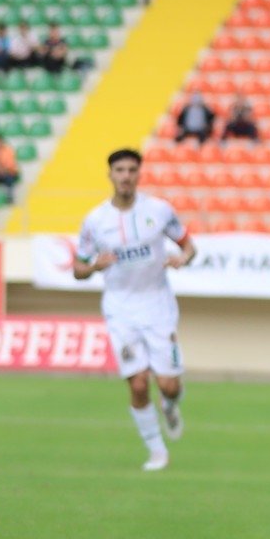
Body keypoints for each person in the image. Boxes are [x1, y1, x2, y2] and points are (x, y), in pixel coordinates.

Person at [74, 149, 196, 469]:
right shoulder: (95, 221)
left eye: (131, 170)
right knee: (138, 382)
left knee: (169, 385)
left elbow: (188, 245)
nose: (125, 176)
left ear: (139, 174)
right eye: (119, 170)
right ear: (110, 175)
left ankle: (170, 405)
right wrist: (93, 267)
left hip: (158, 306)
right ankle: (157, 451)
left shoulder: (159, 210)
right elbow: (77, 267)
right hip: (120, 309)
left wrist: (183, 259)